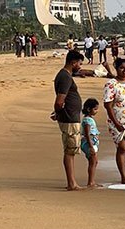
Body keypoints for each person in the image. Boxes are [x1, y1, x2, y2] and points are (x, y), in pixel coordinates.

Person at [52, 50, 86, 190]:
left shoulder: (65, 75)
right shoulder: (65, 77)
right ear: (73, 62)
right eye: (79, 63)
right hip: (69, 119)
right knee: (70, 150)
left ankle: (72, 182)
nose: (80, 66)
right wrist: (59, 112)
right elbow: (60, 100)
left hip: (70, 117)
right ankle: (71, 183)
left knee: (71, 149)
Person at [80, 98, 101, 187]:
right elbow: (87, 134)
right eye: (95, 109)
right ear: (89, 109)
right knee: (93, 161)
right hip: (89, 143)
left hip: (92, 143)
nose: (96, 111)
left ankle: (91, 181)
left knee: (94, 161)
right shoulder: (87, 120)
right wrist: (91, 146)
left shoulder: (89, 119)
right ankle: (90, 182)